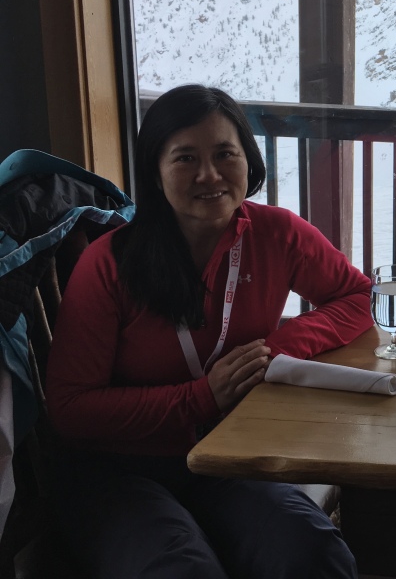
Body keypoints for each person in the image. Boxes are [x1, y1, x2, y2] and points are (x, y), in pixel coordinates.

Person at [46, 84, 372, 578]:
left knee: (312, 554)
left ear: (249, 160)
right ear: (154, 173)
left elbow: (364, 297)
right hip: (118, 472)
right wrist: (202, 397)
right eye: (185, 158)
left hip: (230, 457)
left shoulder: (276, 234)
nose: (209, 175)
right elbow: (70, 411)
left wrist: (273, 350)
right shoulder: (109, 264)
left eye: (225, 154)